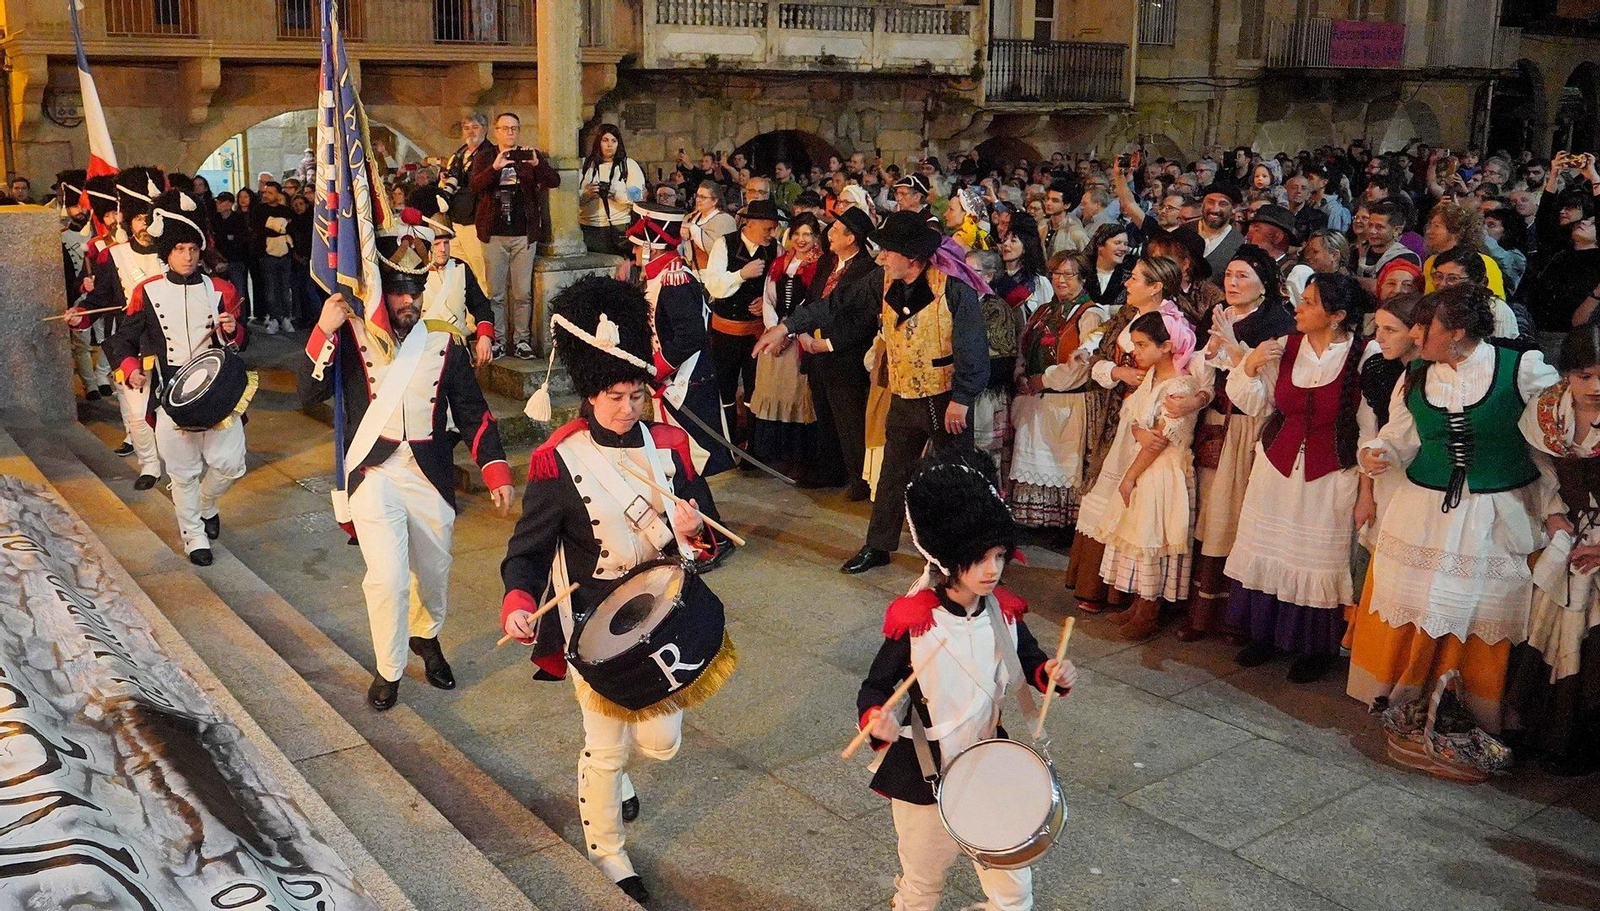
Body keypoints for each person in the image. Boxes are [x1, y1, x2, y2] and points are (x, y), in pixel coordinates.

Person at [500, 277, 730, 906]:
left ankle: (620, 776)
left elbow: (713, 546)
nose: (629, 408)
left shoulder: (670, 447)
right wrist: (520, 600)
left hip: (663, 616)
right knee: (606, 749)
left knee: (660, 744)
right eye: (616, 396)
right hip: (592, 618)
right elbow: (526, 550)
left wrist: (694, 533)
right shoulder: (558, 459)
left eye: (636, 394)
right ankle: (608, 851)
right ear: (592, 393)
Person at [855, 448, 1076, 911]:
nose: (993, 569)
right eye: (979, 559)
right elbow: (875, 687)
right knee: (921, 887)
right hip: (924, 773)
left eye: (998, 555)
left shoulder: (1005, 611)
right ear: (950, 557)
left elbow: (1030, 659)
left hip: (988, 761)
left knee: (1014, 893)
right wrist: (878, 719)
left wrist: (1050, 673)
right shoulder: (914, 620)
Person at [300, 235, 513, 711]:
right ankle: (389, 667)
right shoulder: (352, 338)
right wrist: (322, 329)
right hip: (374, 475)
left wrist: (495, 469)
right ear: (381, 293)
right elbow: (305, 395)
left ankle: (426, 636)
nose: (409, 301)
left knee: (433, 573)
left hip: (429, 475)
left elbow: (474, 412)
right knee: (387, 578)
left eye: (415, 290)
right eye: (398, 291)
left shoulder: (442, 342)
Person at [1350, 283, 1559, 732]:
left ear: (1459, 331)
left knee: (1480, 607)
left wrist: (1555, 505)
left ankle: (1472, 708)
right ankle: (1409, 697)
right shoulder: (1417, 374)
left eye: (1427, 326)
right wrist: (1378, 452)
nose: (1417, 335)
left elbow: (1550, 444)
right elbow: (1400, 435)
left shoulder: (1521, 369)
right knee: (1419, 601)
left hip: (1495, 510)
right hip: (1424, 508)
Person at [769, 211, 989, 574]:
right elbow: (835, 304)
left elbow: (973, 348)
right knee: (891, 475)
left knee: (956, 476)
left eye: (887, 252)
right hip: (903, 396)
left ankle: (962, 551)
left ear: (912, 258)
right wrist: (787, 327)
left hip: (944, 399)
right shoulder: (881, 281)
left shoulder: (953, 288)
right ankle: (878, 545)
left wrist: (962, 399)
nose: (881, 257)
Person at [1223, 273, 1368, 682]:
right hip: (1277, 466)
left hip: (1329, 474)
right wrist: (1248, 365)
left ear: (1336, 316)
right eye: (1300, 300)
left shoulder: (1362, 354)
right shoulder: (1284, 347)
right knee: (1272, 549)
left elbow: (1369, 424)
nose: (1298, 309)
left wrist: (1366, 490)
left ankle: (1315, 648)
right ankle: (1264, 635)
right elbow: (1255, 403)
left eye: (1308, 303)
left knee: (1316, 559)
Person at [104, 189, 248, 567]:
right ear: (166, 253)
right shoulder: (147, 292)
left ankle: (207, 502)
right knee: (182, 474)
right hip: (171, 396)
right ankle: (194, 536)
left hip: (218, 394)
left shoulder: (221, 289)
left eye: (192, 249)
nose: (187, 256)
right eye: (179, 249)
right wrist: (131, 368)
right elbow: (121, 339)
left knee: (231, 464)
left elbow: (239, 341)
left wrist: (232, 330)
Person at [1179, 246, 1295, 640]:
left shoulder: (1277, 324)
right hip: (1214, 421)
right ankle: (1197, 612)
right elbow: (1204, 368)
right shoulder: (1222, 316)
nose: (1232, 282)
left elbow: (1269, 391)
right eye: (1229, 274)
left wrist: (1232, 347)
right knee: (1208, 514)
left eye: (1243, 276)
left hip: (1246, 427)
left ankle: (1231, 616)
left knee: (1231, 515)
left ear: (1264, 285)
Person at [1074, 304, 1202, 641]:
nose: (1136, 352)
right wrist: (1138, 435)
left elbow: (1160, 440)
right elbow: (1135, 421)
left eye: (1143, 345)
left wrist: (1130, 476)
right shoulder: (1151, 379)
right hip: (1144, 463)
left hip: (1161, 472)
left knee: (1151, 537)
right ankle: (1136, 603)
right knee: (1134, 534)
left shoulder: (1180, 386)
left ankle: (1150, 609)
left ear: (1167, 347)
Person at [1506, 324, 1600, 775]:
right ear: (1566, 375)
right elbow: (1540, 466)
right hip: (1568, 536)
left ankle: (1585, 745)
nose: (1595, 387)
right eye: (1584, 376)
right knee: (1551, 630)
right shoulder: (1547, 410)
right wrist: (1553, 512)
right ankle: (1548, 734)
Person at [757, 207, 882, 498]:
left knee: (849, 418)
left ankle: (858, 479)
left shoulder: (867, 270)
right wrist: (799, 333)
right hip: (815, 351)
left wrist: (827, 344)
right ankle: (830, 469)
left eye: (837, 230)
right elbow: (812, 300)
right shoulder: (827, 262)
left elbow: (862, 320)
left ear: (852, 238)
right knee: (824, 414)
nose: (830, 234)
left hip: (844, 355)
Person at [621, 200, 735, 479]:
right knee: (678, 460)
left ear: (652, 246)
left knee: (693, 461)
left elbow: (690, 337)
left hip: (686, 381)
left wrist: (658, 367)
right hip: (671, 382)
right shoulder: (658, 277)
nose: (634, 251)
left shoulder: (676, 282)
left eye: (638, 245)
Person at [1008, 251, 1108, 532]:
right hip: (1036, 400)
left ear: (1084, 278)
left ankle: (1063, 524)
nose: (1060, 280)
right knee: (1034, 457)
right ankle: (1035, 520)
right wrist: (1021, 374)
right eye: (1056, 274)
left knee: (1062, 465)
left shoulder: (1091, 315)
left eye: (1068, 274)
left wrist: (1045, 380)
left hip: (1067, 403)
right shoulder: (1044, 310)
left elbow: (1080, 365)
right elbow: (1022, 345)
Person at [469, 111, 560, 358]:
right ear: (496, 131)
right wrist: (495, 167)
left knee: (522, 293)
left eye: (514, 128)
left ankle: (522, 340)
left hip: (523, 233)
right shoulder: (486, 156)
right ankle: (497, 339)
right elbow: (475, 186)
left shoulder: (529, 156)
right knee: (496, 293)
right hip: (494, 233)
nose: (510, 132)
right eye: (505, 128)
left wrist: (536, 164)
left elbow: (555, 180)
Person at [748, 212, 831, 472]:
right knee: (770, 389)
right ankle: (770, 453)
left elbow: (813, 303)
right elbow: (769, 297)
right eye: (796, 234)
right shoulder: (779, 263)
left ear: (816, 236)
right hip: (776, 332)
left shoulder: (822, 265)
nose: (801, 239)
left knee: (795, 392)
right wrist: (773, 329)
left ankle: (797, 456)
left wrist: (789, 332)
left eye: (807, 234)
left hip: (800, 335)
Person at [700, 199, 782, 455]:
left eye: (774, 228)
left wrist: (767, 303)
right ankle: (727, 443)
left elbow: (779, 287)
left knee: (755, 388)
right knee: (724, 386)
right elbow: (713, 285)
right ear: (751, 223)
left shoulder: (775, 249)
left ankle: (753, 448)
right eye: (768, 228)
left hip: (756, 333)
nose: (772, 234)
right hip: (725, 331)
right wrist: (741, 275)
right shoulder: (726, 244)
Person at [440, 113, 490, 294]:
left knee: (480, 274)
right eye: (466, 128)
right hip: (456, 221)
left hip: (475, 222)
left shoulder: (489, 154)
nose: (470, 132)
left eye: (475, 127)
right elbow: (448, 183)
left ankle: (485, 319)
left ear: (485, 129)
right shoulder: (459, 154)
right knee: (458, 274)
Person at [579, 124, 646, 256]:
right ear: (598, 142)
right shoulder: (584, 165)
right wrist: (588, 194)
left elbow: (637, 197)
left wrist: (615, 194)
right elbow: (570, 199)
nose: (609, 145)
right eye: (605, 140)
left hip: (619, 227)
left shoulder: (628, 165)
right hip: (589, 227)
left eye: (613, 141)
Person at [1421, 202, 1507, 299]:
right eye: (1430, 225)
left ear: (1456, 231)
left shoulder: (1486, 263)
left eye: (1436, 226)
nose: (1429, 231)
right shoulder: (1430, 263)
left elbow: (1494, 304)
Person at [251, 181, 296, 334]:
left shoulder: (286, 211)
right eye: (265, 192)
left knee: (285, 288)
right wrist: (279, 227)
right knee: (270, 289)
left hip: (285, 255)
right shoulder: (259, 210)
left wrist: (272, 225)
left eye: (270, 192)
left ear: (278, 194)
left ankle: (286, 317)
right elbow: (259, 230)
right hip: (266, 254)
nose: (266, 195)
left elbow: (289, 229)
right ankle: (274, 318)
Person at [1177, 184, 1244, 280]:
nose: (1215, 209)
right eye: (1210, 202)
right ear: (1202, 204)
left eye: (1223, 204)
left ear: (1234, 208)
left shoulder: (1238, 243)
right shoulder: (1183, 233)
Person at [683, 180, 737, 271]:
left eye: (703, 197)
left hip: (713, 274)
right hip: (691, 272)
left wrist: (692, 228)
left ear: (715, 201)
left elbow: (717, 250)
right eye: (697, 196)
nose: (698, 200)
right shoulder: (689, 218)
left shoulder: (725, 220)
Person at [1086, 223, 1132, 308]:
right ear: (1100, 246)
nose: (1123, 248)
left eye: (1125, 244)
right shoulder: (1082, 273)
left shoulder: (1130, 278)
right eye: (1117, 243)